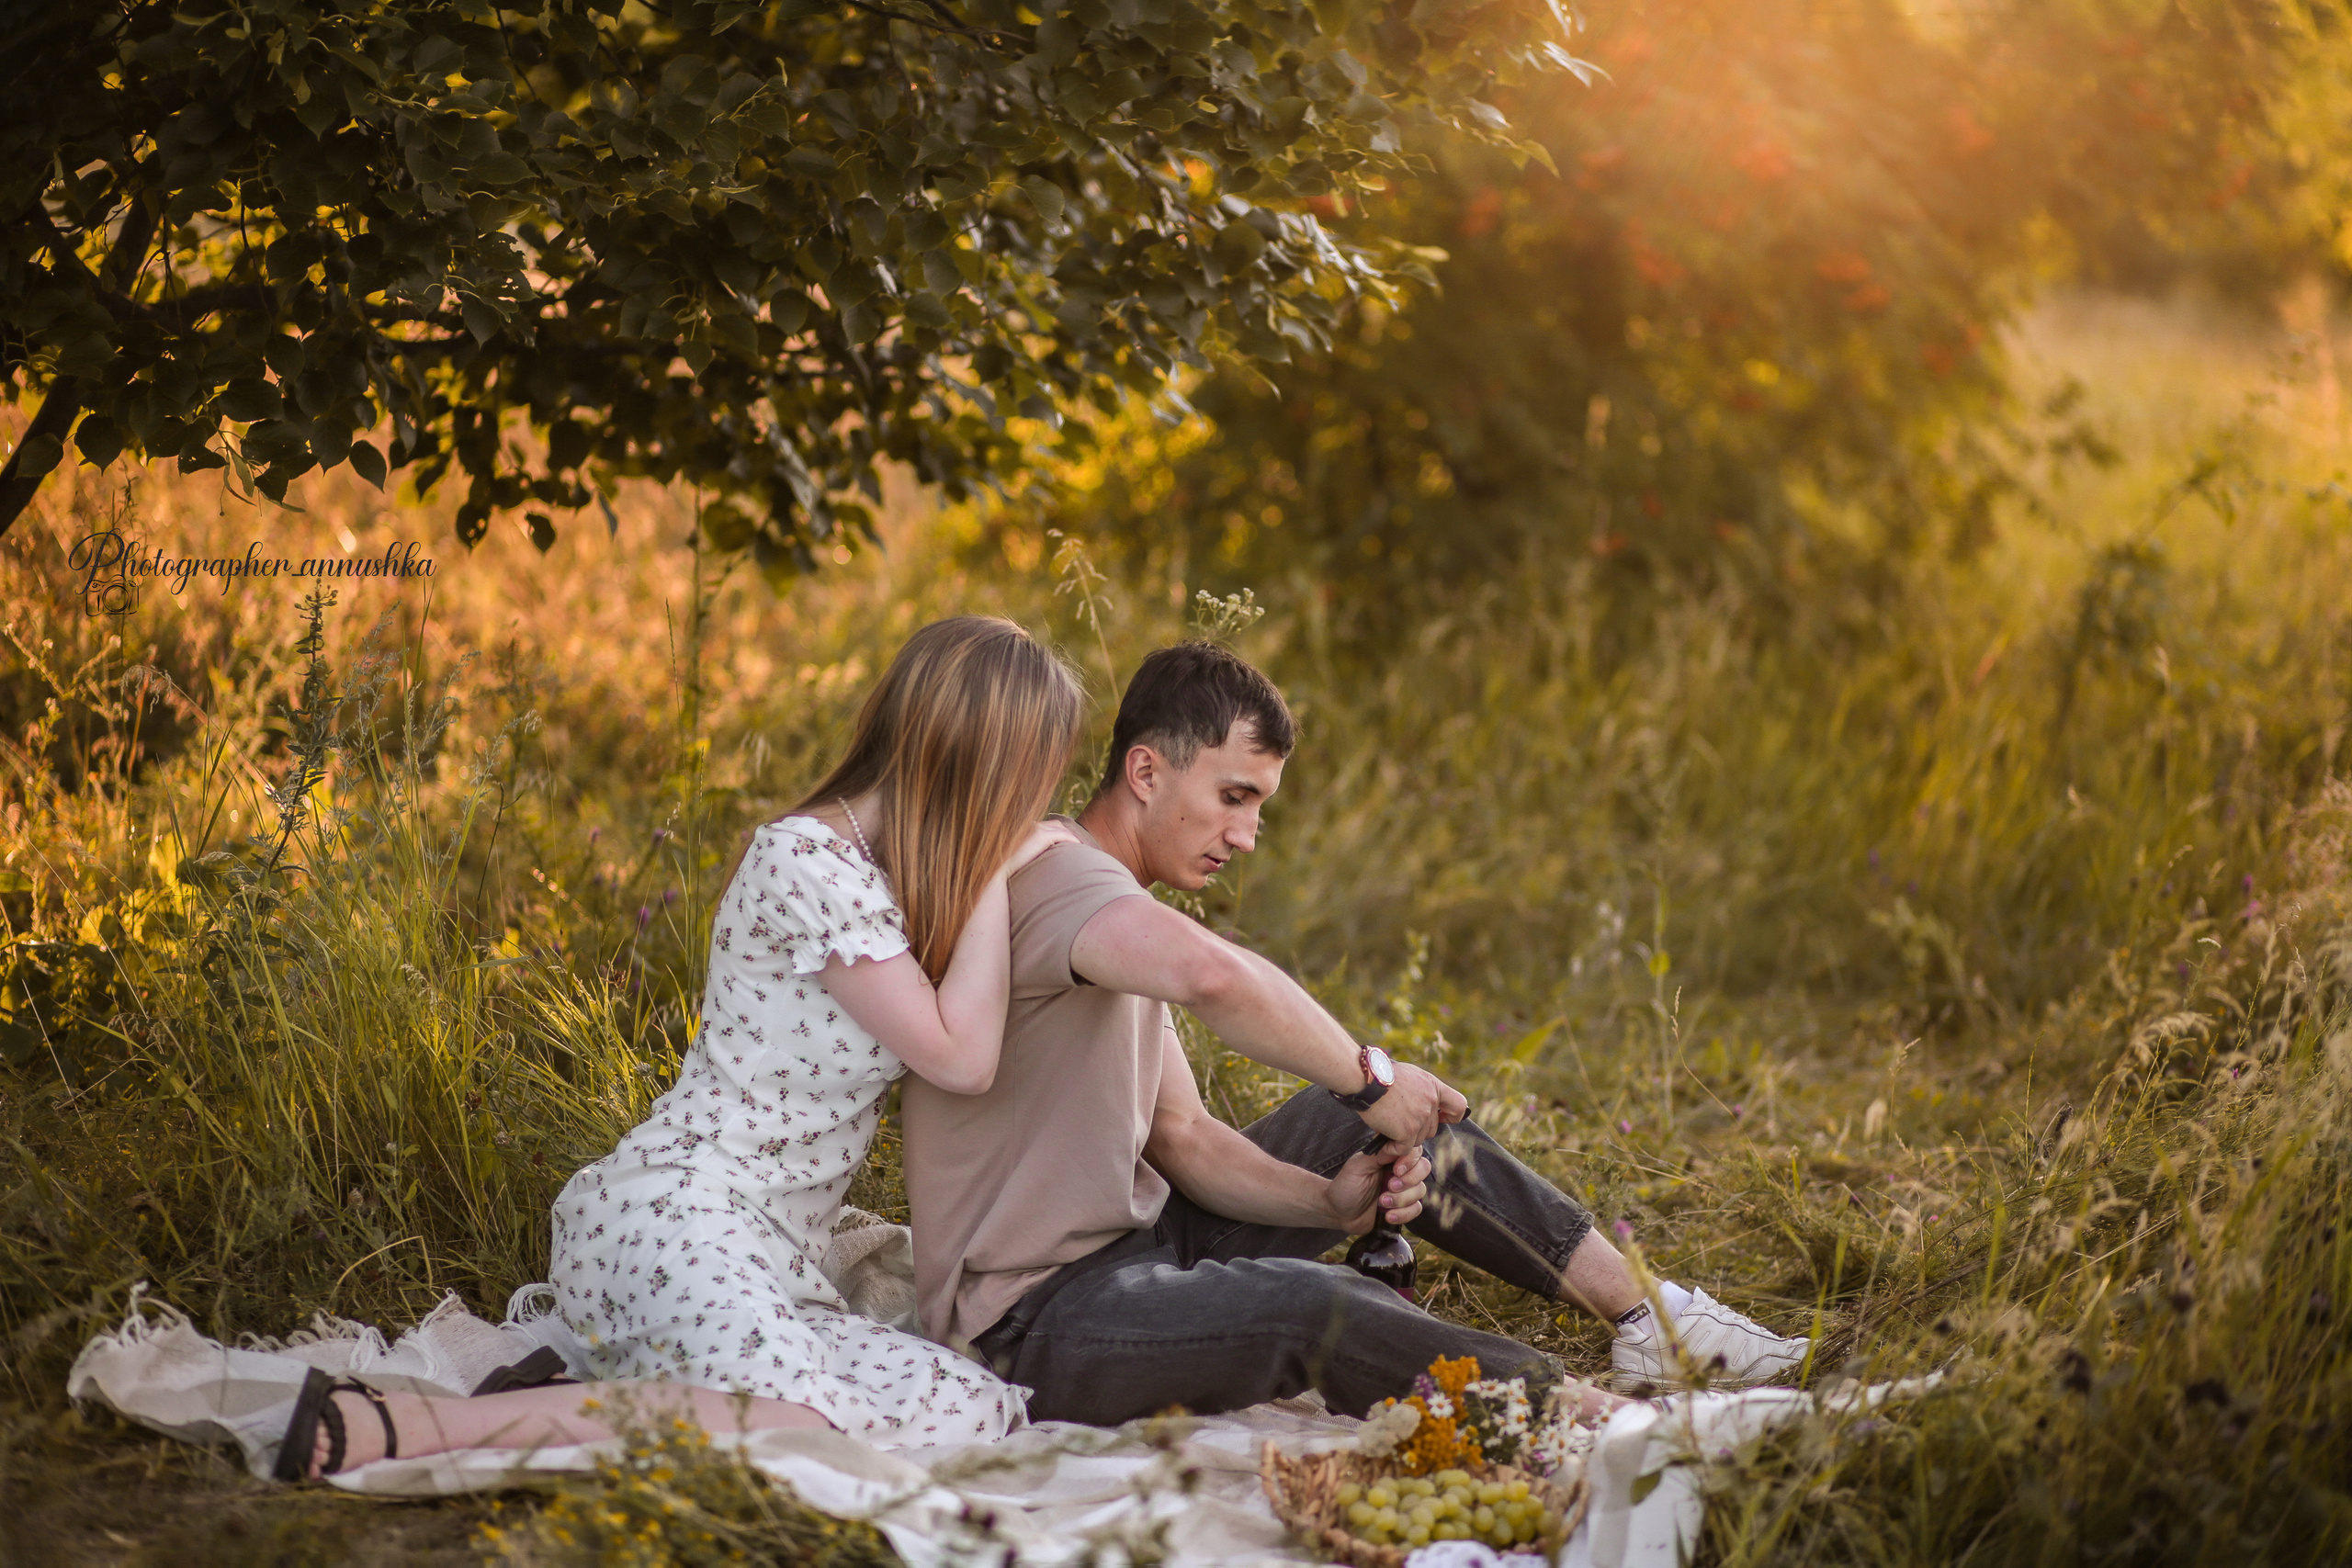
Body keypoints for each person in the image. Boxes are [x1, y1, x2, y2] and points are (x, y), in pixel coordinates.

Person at [899, 641, 1809, 1428]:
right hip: (1035, 1328)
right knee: (1317, 1300)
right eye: (1232, 796)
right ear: (1145, 773)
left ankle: (1656, 1323)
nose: (1246, 835)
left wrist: (1326, 1202)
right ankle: (1584, 1418)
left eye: (1258, 806)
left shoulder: (1108, 903)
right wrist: (1368, 1075)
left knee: (1388, 1126)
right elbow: (1216, 975)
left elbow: (1182, 1136)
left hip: (1135, 1255)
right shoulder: (1068, 885)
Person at [276, 615, 1083, 1479]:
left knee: (964, 1406)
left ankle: (584, 1393)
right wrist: (1002, 864)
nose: (1033, 807)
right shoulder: (805, 860)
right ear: (980, 762)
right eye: (1029, 783)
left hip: (774, 1255)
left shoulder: (894, 877)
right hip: (672, 1214)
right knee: (789, 1422)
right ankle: (403, 1422)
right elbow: (963, 1058)